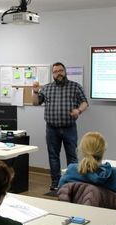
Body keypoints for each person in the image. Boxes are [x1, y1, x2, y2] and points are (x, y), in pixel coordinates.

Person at [32, 62, 89, 191]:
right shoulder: (47, 88)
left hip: (69, 128)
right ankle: (55, 182)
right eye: (56, 71)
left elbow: (85, 102)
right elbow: (35, 103)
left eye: (61, 70)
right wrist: (35, 92)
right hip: (51, 128)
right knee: (53, 156)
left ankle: (72, 182)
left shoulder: (75, 86)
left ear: (65, 71)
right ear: (52, 74)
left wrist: (78, 111)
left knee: (72, 156)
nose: (58, 73)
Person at [58, 131, 116, 211]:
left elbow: (61, 193)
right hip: (115, 223)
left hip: (78, 220)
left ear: (81, 150)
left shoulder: (71, 172)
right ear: (103, 150)